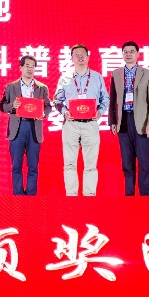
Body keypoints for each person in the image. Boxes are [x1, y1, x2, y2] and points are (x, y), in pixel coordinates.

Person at [53, 44, 109, 196]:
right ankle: (71, 197)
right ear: (71, 58)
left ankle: (89, 197)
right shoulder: (65, 78)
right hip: (71, 124)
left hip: (90, 124)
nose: (80, 57)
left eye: (83, 54)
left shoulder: (97, 77)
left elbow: (105, 98)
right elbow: (57, 100)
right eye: (76, 54)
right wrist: (64, 112)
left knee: (91, 164)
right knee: (69, 163)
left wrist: (100, 111)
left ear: (88, 57)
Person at [109, 40, 149, 196]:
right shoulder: (116, 74)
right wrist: (112, 121)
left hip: (142, 123)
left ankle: (145, 197)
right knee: (127, 163)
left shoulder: (147, 74)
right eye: (125, 52)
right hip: (123, 122)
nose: (128, 54)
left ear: (137, 54)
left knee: (143, 162)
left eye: (132, 51)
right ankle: (129, 197)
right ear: (122, 54)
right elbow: (112, 100)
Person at [0, 54, 52, 196]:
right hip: (18, 128)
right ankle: (18, 195)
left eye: (32, 66)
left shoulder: (42, 88)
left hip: (34, 128)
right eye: (27, 66)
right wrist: (13, 106)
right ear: (21, 67)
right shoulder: (11, 86)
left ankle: (31, 196)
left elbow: (48, 106)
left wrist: (43, 113)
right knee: (16, 166)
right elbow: (2, 106)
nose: (30, 69)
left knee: (33, 166)